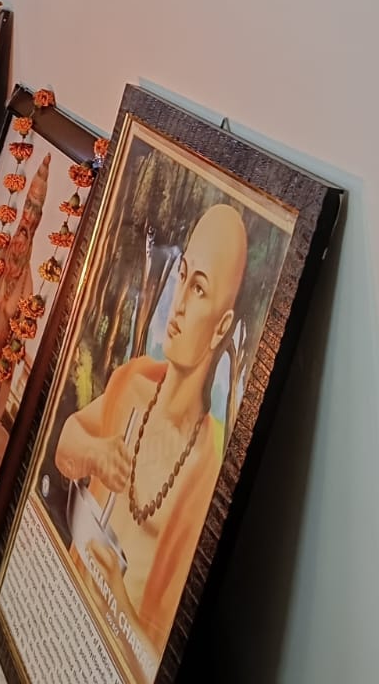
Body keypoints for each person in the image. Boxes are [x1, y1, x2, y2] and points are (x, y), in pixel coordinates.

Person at [53, 203, 247, 676]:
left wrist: (116, 600)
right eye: (182, 275)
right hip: (62, 628)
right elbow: (63, 447)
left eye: (198, 288)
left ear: (222, 326)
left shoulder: (208, 468)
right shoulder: (137, 381)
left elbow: (161, 660)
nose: (178, 304)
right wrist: (96, 452)